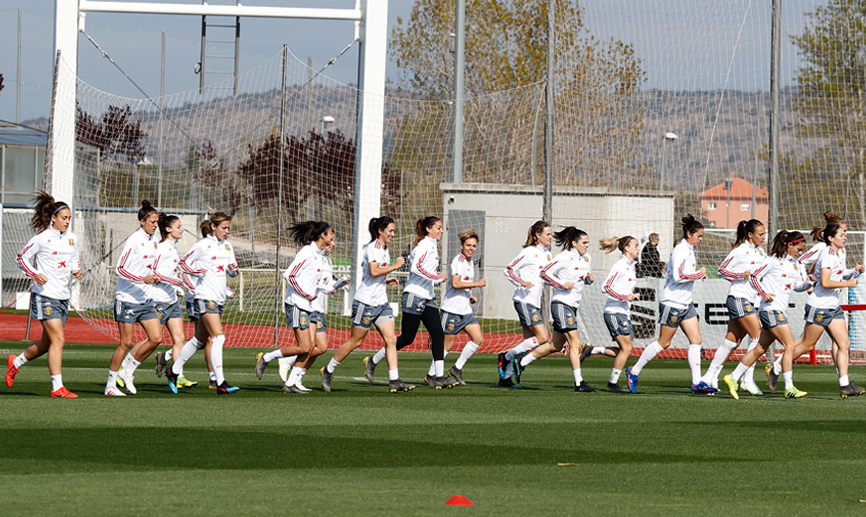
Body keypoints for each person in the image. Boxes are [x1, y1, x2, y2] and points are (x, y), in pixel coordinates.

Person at [767, 223, 865, 398]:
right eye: (842, 234)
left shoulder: (837, 254)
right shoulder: (827, 254)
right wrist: (848, 284)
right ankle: (776, 368)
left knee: (844, 344)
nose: (845, 236)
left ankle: (845, 385)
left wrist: (853, 272)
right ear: (830, 238)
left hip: (832, 306)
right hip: (819, 305)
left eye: (845, 234)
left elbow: (836, 276)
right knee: (806, 345)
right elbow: (825, 282)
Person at [625, 214, 711, 394]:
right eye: (699, 236)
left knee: (696, 340)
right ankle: (634, 371)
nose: (701, 239)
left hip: (685, 303)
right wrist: (698, 274)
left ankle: (697, 383)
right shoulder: (680, 250)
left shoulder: (689, 250)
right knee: (664, 343)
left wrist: (696, 274)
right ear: (689, 234)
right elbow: (679, 278)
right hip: (672, 302)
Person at [367, 216, 457, 389]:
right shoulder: (424, 245)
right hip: (414, 296)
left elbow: (425, 270)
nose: (441, 231)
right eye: (438, 227)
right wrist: (436, 277)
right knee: (408, 338)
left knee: (438, 334)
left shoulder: (432, 245)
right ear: (429, 229)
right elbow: (416, 267)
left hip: (427, 298)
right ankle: (373, 359)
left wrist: (432, 289)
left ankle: (438, 377)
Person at [7, 190, 81, 398]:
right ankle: (57, 387)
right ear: (53, 218)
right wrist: (34, 274)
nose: (67, 222)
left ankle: (16, 361)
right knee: (59, 340)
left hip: (62, 296)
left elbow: (75, 259)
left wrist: (76, 269)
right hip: (45, 295)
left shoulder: (72, 239)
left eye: (69, 218)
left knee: (48, 344)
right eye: (64, 218)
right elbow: (20, 258)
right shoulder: (41, 239)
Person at [721, 230, 812, 399]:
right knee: (790, 346)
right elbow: (754, 276)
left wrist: (809, 283)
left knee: (759, 349)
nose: (800, 253)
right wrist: (763, 294)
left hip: (777, 310)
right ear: (789, 245)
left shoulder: (796, 264)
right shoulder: (773, 261)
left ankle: (732, 377)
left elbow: (797, 287)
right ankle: (789, 387)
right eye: (799, 249)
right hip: (770, 310)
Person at [328, 216, 412, 393]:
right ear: (380, 231)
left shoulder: (384, 249)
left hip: (381, 303)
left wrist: (387, 279)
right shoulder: (373, 248)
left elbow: (374, 273)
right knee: (355, 342)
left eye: (393, 230)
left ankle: (394, 380)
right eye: (390, 230)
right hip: (365, 303)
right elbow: (373, 272)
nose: (393, 234)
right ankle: (328, 370)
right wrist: (395, 266)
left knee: (391, 340)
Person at [116, 213, 195, 393]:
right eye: (178, 227)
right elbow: (155, 272)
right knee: (152, 339)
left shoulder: (173, 248)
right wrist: (174, 282)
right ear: (168, 229)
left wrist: (174, 286)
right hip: (158, 300)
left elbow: (167, 273)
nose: (182, 229)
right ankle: (125, 369)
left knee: (179, 339)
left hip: (171, 301)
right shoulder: (160, 248)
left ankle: (177, 374)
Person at [254, 221, 335, 393]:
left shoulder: (320, 255)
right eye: (331, 233)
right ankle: (267, 357)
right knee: (305, 347)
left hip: (311, 305)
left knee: (315, 346)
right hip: (297, 303)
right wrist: (306, 294)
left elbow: (314, 283)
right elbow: (289, 275)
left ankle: (291, 383)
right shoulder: (307, 252)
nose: (333, 236)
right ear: (323, 235)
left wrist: (328, 289)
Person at [166, 211, 240, 395]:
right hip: (205, 297)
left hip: (218, 298)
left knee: (198, 340)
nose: (226, 231)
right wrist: (197, 272)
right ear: (213, 227)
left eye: (228, 228)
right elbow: (183, 264)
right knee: (218, 337)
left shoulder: (228, 246)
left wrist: (234, 270)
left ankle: (173, 372)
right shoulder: (203, 245)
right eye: (223, 228)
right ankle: (220, 382)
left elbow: (232, 271)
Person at [697, 219, 767, 395]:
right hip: (738, 298)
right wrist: (739, 275)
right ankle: (746, 379)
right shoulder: (741, 250)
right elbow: (721, 270)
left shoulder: (761, 253)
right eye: (761, 234)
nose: (764, 237)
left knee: (731, 342)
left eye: (764, 233)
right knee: (758, 336)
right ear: (750, 235)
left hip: (750, 301)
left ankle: (708, 378)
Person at [104, 200, 164, 396]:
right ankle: (110, 386)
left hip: (145, 299)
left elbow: (150, 267)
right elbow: (119, 269)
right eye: (152, 222)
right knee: (126, 343)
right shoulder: (133, 240)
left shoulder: (154, 240)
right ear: (142, 221)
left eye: (157, 222)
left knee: (156, 338)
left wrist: (154, 276)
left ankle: (127, 372)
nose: (156, 225)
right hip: (127, 299)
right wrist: (143, 279)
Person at [531, 226, 596, 391]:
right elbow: (544, 273)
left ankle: (520, 362)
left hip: (573, 306)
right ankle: (579, 383)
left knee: (556, 346)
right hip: (561, 304)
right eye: (584, 242)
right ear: (574, 243)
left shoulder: (586, 258)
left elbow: (582, 281)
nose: (587, 245)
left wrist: (589, 279)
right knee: (575, 342)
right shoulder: (565, 257)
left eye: (588, 242)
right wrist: (561, 284)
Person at [497, 220, 553, 388]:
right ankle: (505, 357)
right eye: (548, 234)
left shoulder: (548, 255)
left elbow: (546, 278)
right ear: (538, 235)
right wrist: (521, 282)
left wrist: (562, 284)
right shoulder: (529, 252)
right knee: (543, 338)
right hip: (524, 300)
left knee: (528, 343)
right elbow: (508, 269)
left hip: (534, 302)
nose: (551, 237)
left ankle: (505, 379)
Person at [436, 229, 486, 386]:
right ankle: (432, 374)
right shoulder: (458, 260)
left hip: (465, 310)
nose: (471, 248)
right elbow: (455, 283)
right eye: (468, 245)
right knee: (447, 345)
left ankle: (457, 368)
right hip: (452, 310)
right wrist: (476, 284)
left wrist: (469, 295)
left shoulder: (470, 262)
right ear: (461, 246)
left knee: (478, 338)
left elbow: (461, 285)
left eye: (474, 245)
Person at [598, 234, 642, 393]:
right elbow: (606, 287)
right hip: (614, 312)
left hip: (623, 312)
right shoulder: (620, 265)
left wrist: (629, 297)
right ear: (626, 248)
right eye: (635, 245)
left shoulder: (631, 266)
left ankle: (593, 350)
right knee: (627, 348)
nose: (638, 248)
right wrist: (626, 297)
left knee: (626, 349)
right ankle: (612, 383)